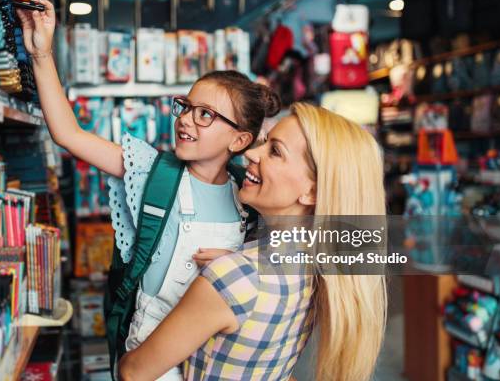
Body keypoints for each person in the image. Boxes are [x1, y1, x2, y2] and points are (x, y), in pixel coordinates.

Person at [15, 0, 281, 380]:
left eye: (205, 115)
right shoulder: (153, 172)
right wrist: (41, 54)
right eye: (186, 107)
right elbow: (69, 134)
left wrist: (237, 265)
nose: (186, 120)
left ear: (239, 141)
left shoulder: (249, 197)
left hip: (211, 358)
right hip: (147, 354)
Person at [119, 103, 387, 381]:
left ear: (312, 192)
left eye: (275, 151)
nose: (250, 153)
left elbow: (133, 372)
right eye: (265, 142)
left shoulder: (235, 278)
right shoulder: (317, 268)